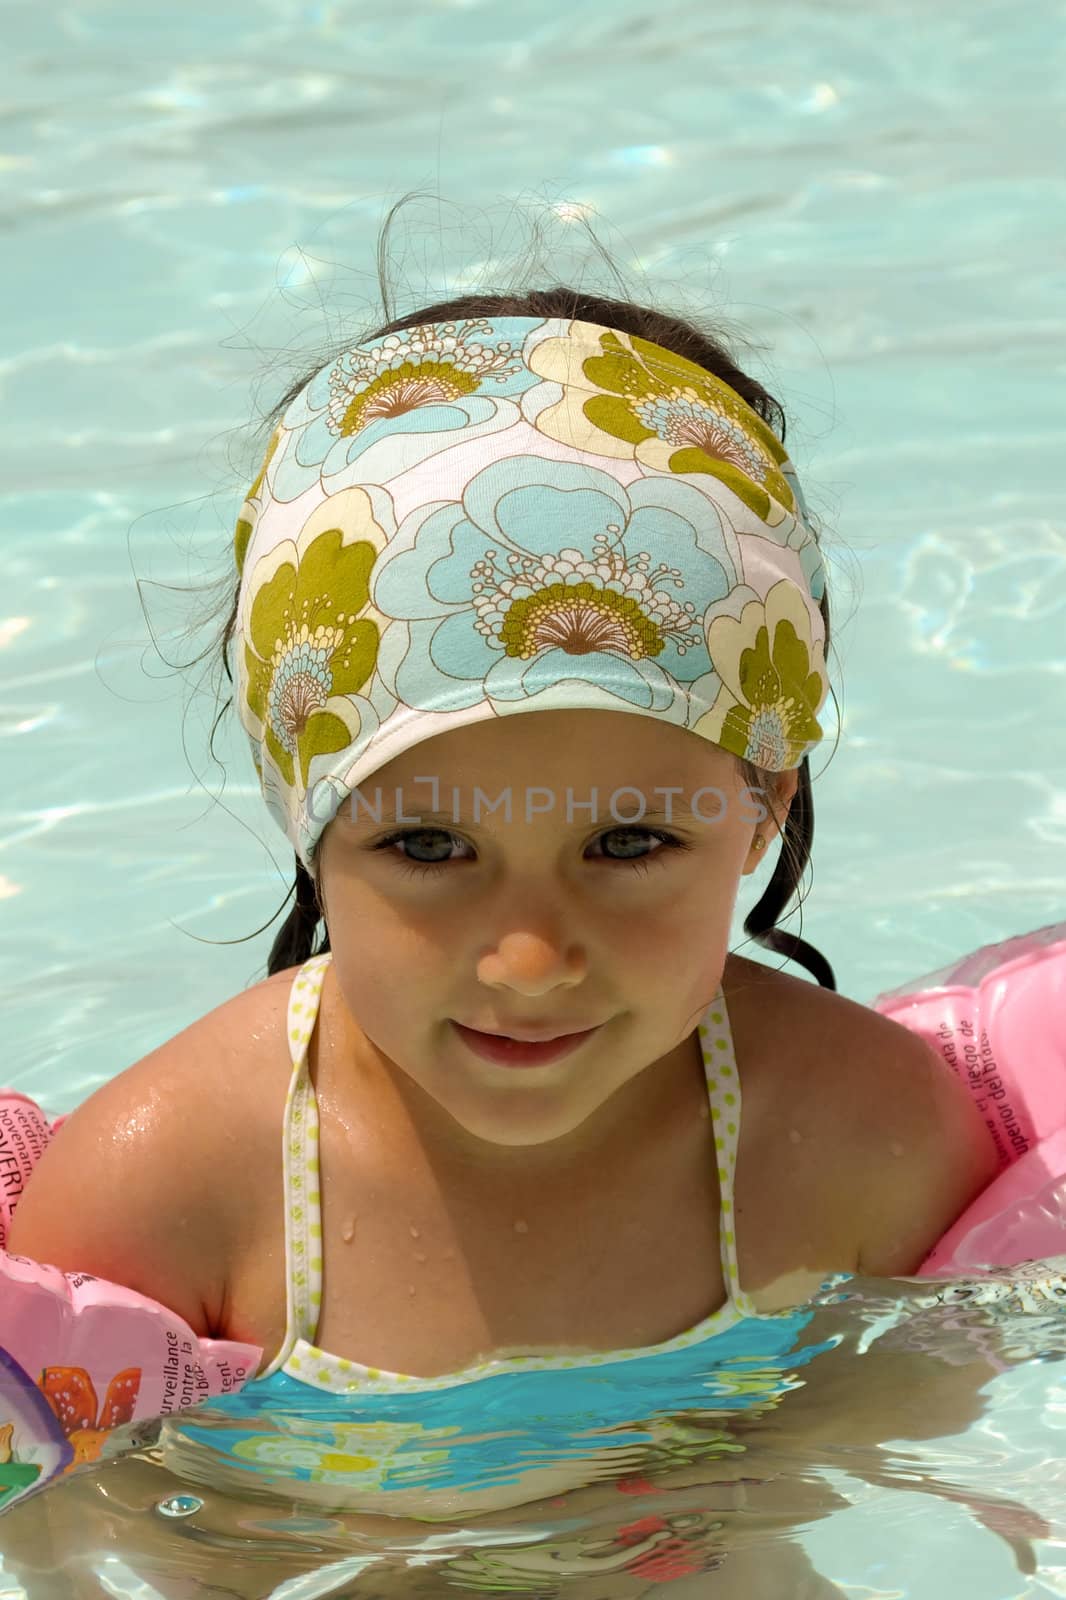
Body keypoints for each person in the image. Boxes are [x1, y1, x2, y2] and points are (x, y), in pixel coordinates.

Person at [7, 287, 1006, 1580]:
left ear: (762, 803)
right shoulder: (175, 1194)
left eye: (628, 846)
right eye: (427, 849)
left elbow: (902, 1452)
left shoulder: (857, 1137)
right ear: (303, 812)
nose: (529, 961)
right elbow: (90, 1548)